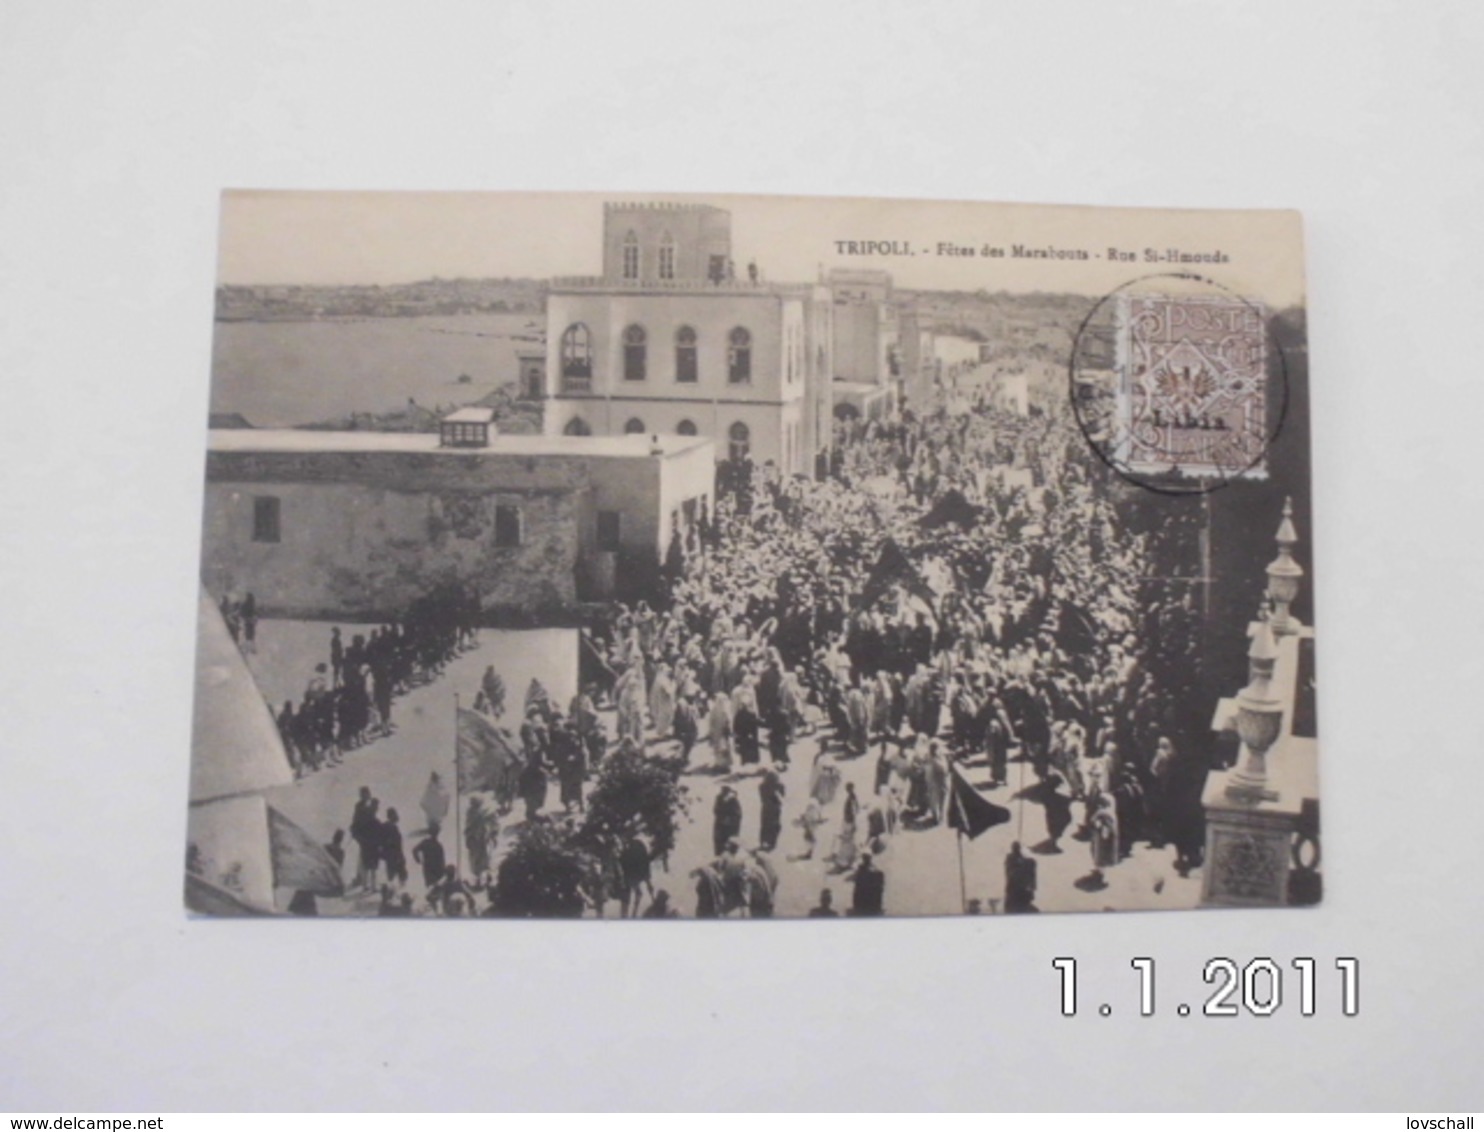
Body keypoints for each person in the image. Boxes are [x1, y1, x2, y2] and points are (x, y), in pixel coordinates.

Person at [1004, 841, 1038, 913]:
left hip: (1020, 893)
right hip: (1016, 892)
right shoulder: (1011, 859)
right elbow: (1012, 872)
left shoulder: (1024, 861)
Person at [412, 823, 447, 890]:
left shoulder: (437, 845)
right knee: (432, 888)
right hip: (431, 870)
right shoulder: (430, 843)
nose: (435, 834)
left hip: (434, 870)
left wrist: (418, 860)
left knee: (433, 888)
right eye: (434, 832)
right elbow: (415, 850)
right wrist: (418, 860)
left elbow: (442, 861)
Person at [758, 768, 786, 852]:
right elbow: (782, 798)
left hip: (766, 808)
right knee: (774, 826)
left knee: (765, 825)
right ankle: (772, 842)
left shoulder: (762, 786)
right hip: (775, 809)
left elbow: (763, 798)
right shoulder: (780, 786)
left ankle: (764, 841)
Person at [380, 807, 408, 888]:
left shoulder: (386, 826)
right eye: (395, 814)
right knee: (399, 873)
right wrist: (399, 855)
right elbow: (395, 843)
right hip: (394, 854)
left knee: (392, 874)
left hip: (390, 854)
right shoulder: (390, 827)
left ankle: (392, 889)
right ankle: (396, 889)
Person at [713, 786, 743, 858]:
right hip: (720, 825)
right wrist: (722, 818)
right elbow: (715, 810)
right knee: (720, 846)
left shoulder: (734, 801)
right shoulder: (719, 798)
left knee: (731, 846)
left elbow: (738, 814)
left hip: (731, 827)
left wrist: (729, 819)